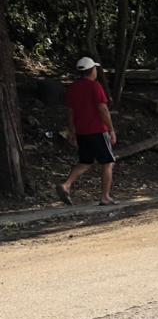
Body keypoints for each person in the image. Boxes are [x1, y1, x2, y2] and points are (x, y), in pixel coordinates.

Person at [57, 56, 118, 206]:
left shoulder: (73, 88)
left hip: (82, 131)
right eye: (95, 69)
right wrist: (111, 129)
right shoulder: (95, 86)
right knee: (108, 162)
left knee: (85, 162)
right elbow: (103, 109)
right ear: (92, 70)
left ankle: (66, 185)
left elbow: (70, 112)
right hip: (97, 130)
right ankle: (105, 197)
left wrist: (73, 132)